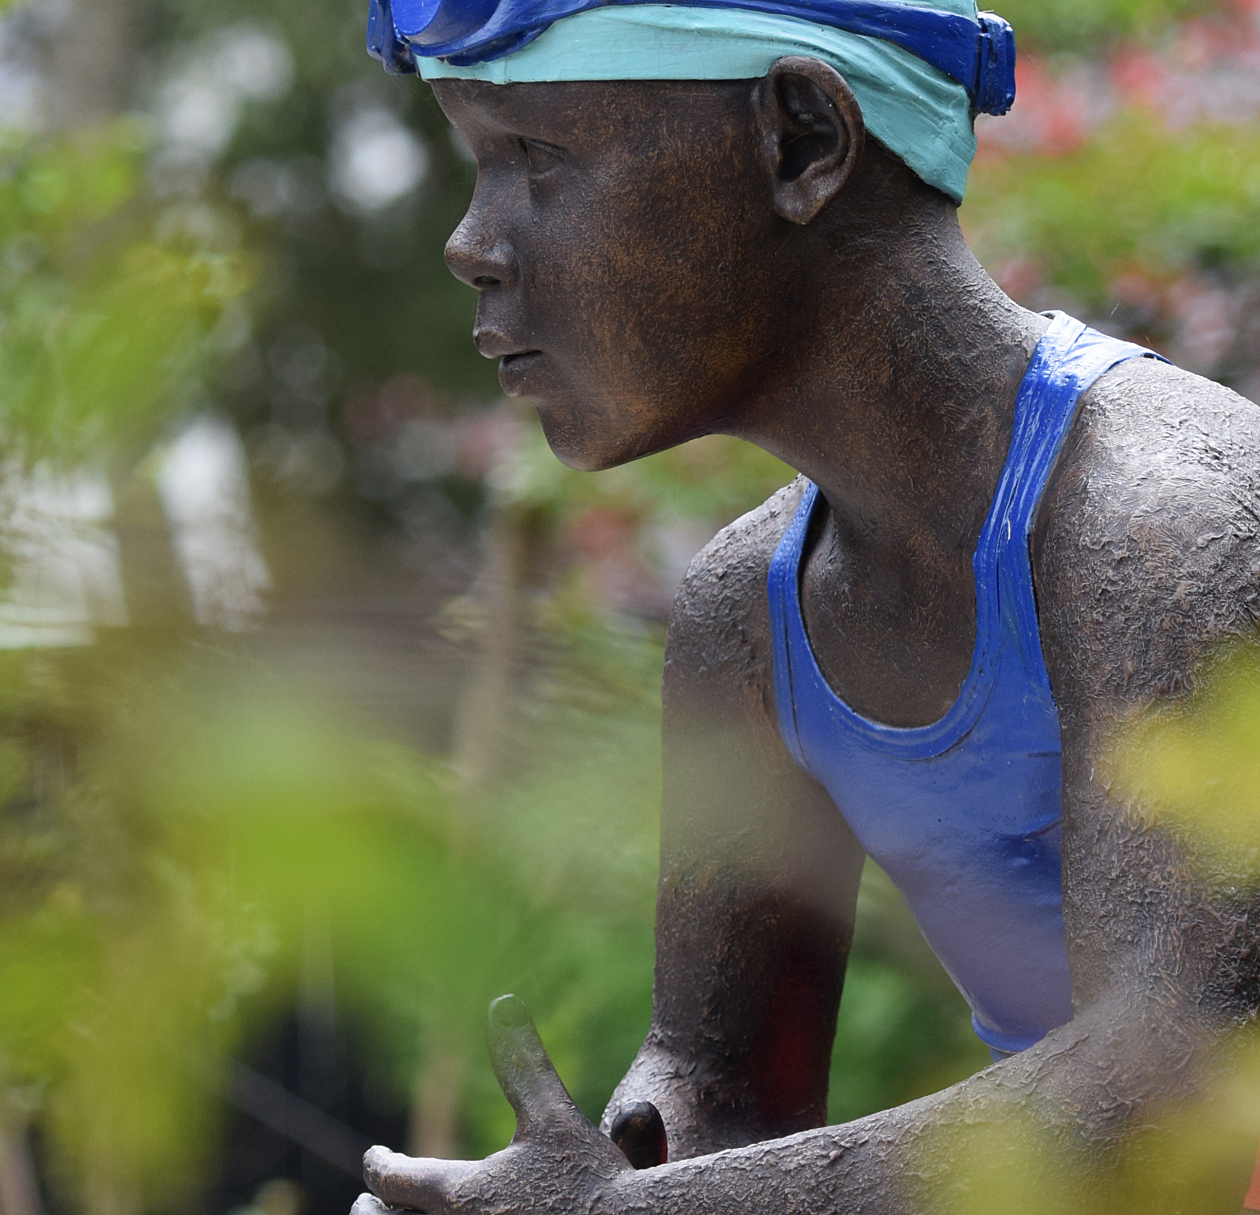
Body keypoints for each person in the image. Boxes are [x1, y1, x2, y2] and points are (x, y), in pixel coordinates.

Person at [352, 0, 1260, 1209]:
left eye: (539, 157)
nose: (472, 241)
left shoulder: (1164, 530)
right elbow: (725, 1100)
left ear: (798, 140)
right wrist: (577, 1182)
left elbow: (1170, 1091)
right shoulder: (750, 616)